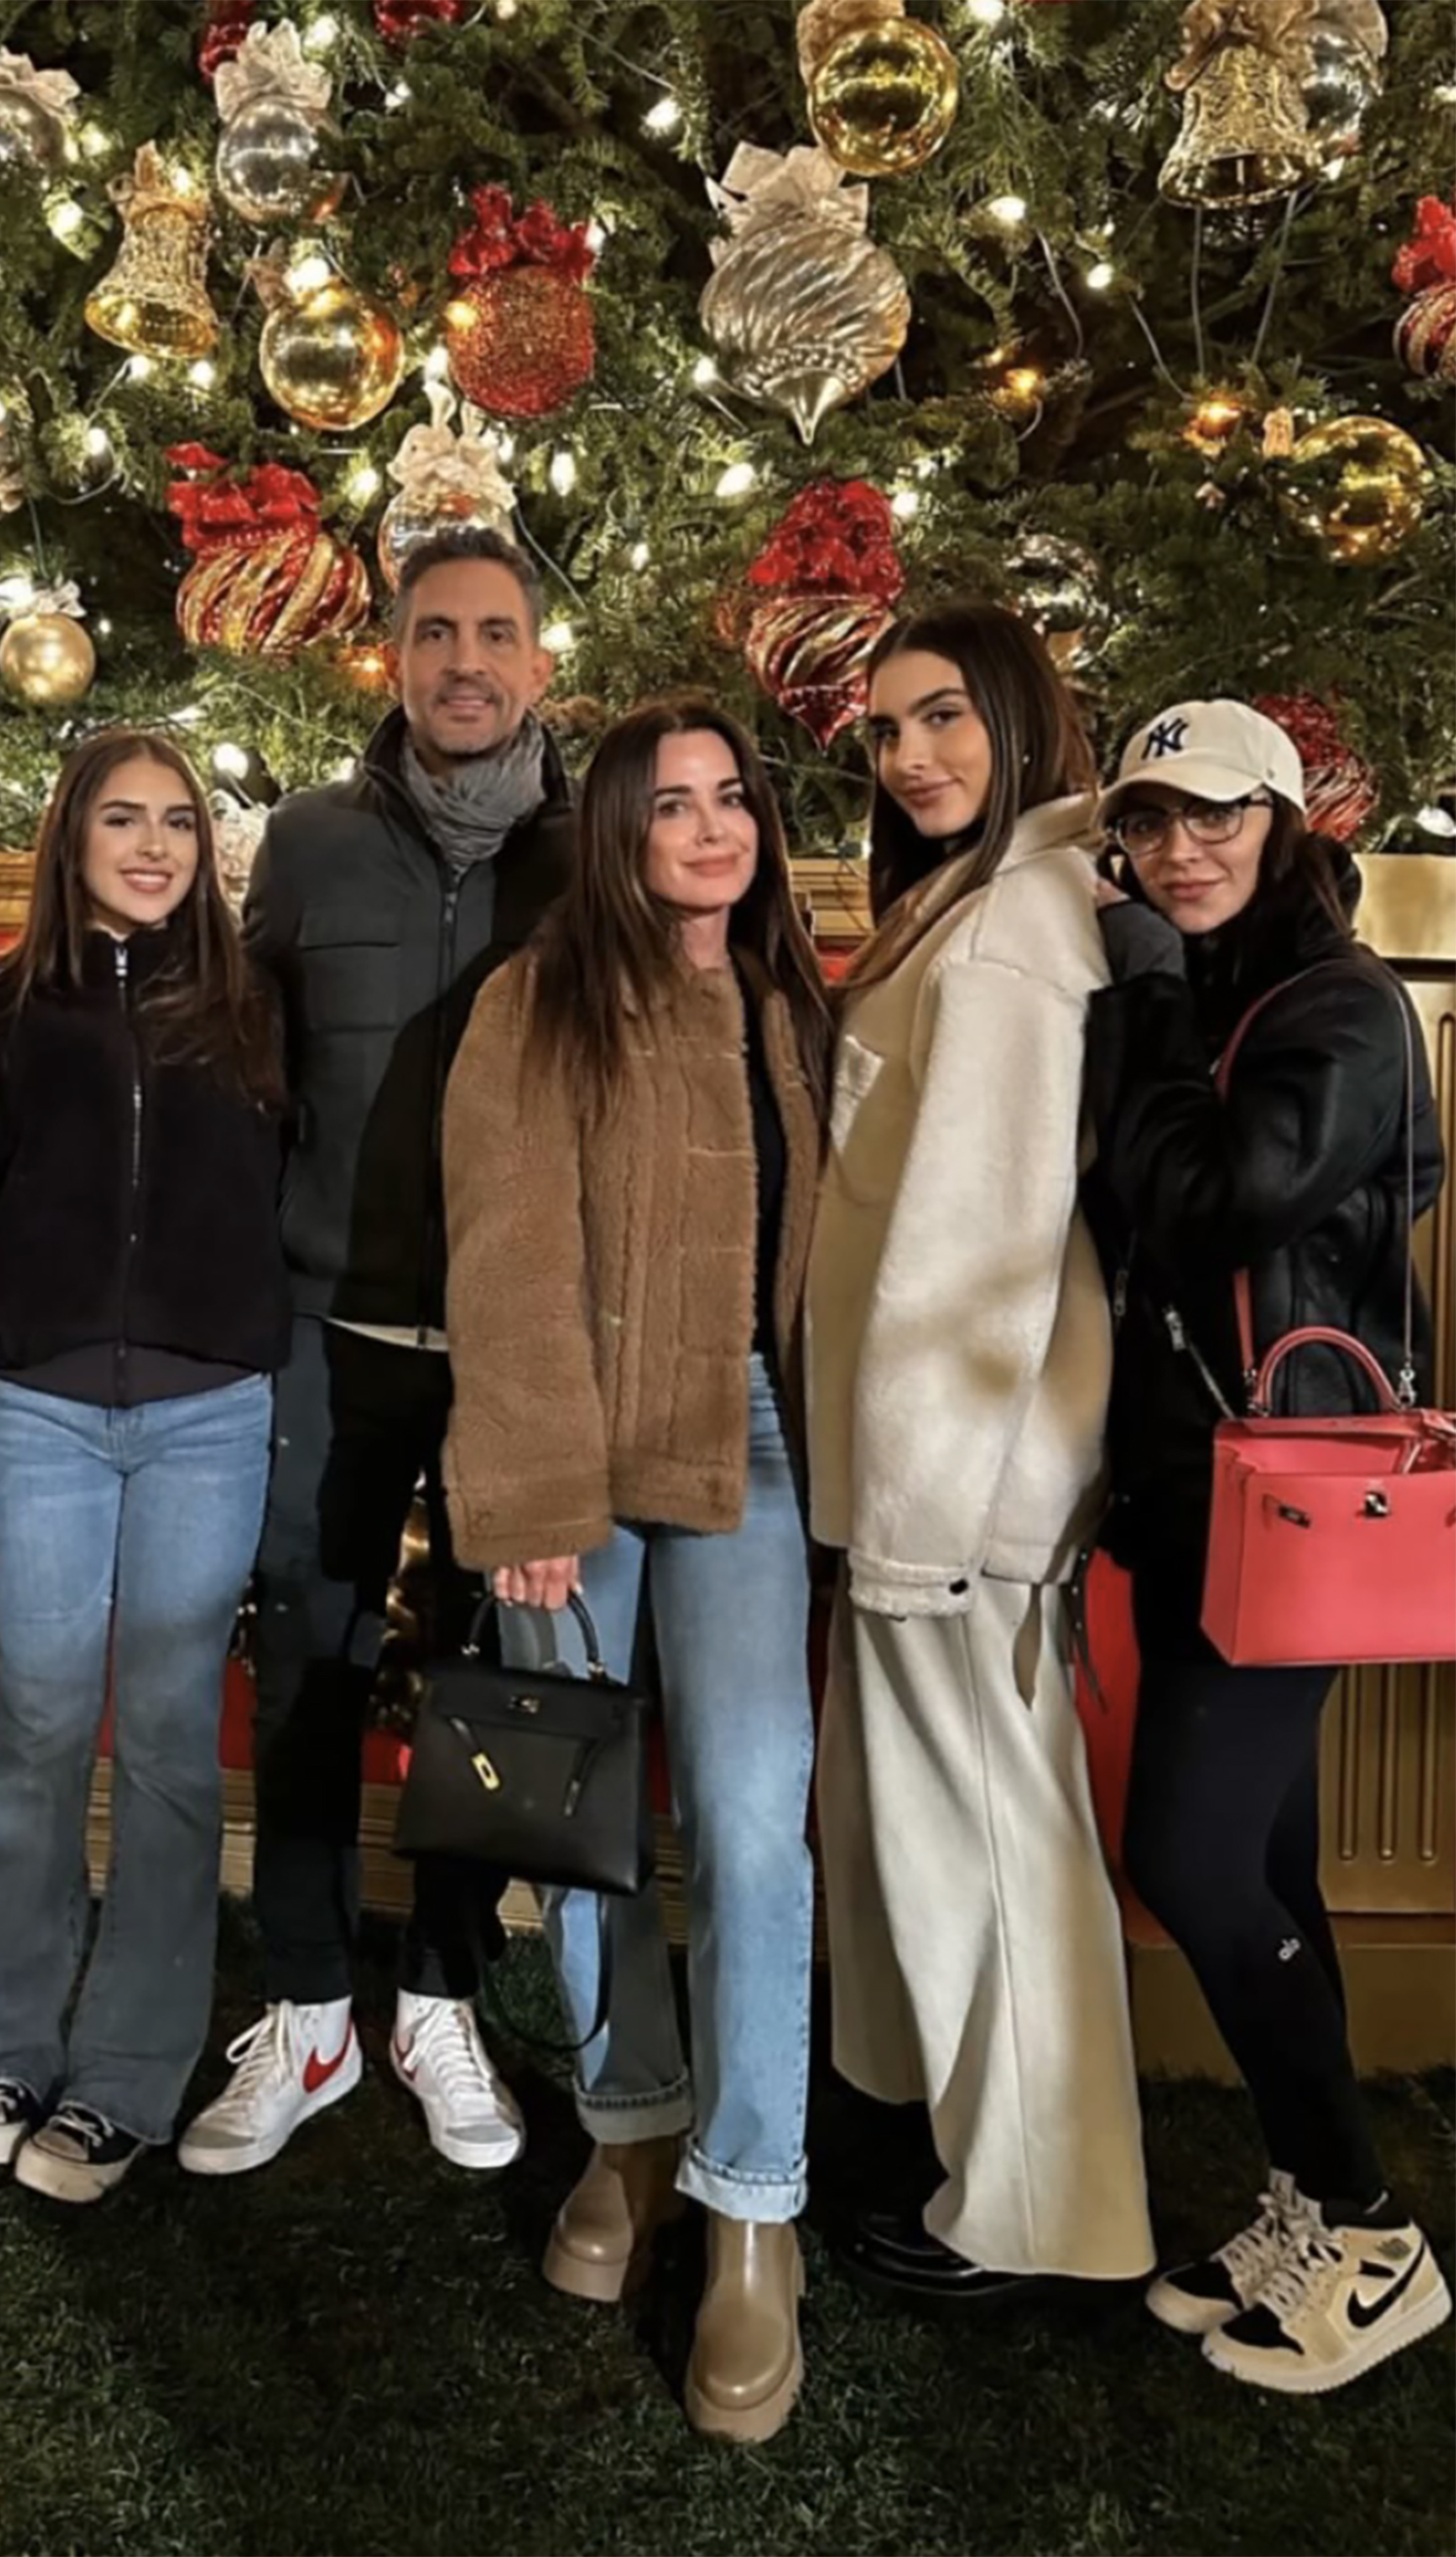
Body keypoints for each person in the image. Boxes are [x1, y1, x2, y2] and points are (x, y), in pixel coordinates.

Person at [441, 695, 832, 2441]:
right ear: (617, 831)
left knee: (753, 1818)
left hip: (750, 1443)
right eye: (671, 803)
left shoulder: (793, 1002)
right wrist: (524, 1492)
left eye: (732, 795)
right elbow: (506, 1248)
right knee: (583, 1821)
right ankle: (635, 2128)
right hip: (580, 1447)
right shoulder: (541, 996)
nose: (710, 823)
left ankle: (757, 2211)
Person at [177, 527, 574, 2179]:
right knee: (310, 1659)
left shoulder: (594, 854)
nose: (464, 661)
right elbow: (242, 1073)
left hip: (523, 1346)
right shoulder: (313, 850)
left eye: (496, 633)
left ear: (542, 662)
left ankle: (440, 1992)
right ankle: (310, 1998)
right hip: (328, 1336)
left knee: (503, 1685)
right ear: (391, 656)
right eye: (434, 634)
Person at [1083, 698, 1450, 2394]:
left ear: (1287, 824)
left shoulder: (1343, 1008)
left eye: (1216, 816)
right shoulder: (1232, 995)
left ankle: (1377, 2239)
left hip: (1288, 1514)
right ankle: (1311, 2191)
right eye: (1153, 821)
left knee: (1196, 1863)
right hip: (1192, 1496)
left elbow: (1221, 1198)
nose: (1182, 848)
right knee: (1271, 1870)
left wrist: (1149, 994)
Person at [807, 600, 1154, 2299]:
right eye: (886, 730)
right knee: (938, 1829)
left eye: (944, 715)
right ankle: (967, 2141)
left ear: (1018, 716)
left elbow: (978, 1245)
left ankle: (1036, 2214)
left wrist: (920, 1506)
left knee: (998, 1841)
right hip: (917, 1470)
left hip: (961, 1479)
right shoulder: (966, 904)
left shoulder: (1019, 920)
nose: (914, 754)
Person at [0, 732, 288, 2204]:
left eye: (179, 824)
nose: (152, 845)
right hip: (44, 1410)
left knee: (163, 1739)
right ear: (68, 834)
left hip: (211, 1412)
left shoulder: (261, 1010)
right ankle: (3, 2053)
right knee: (34, 1719)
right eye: (121, 819)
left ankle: (127, 2075)